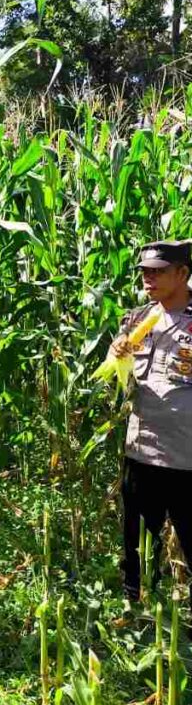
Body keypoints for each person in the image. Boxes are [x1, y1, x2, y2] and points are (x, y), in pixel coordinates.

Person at [112, 240, 192, 605]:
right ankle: (137, 607)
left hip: (186, 457)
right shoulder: (136, 319)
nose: (149, 278)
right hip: (142, 450)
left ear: (182, 274)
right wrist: (117, 355)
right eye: (145, 271)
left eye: (158, 271)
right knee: (138, 542)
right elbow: (122, 377)